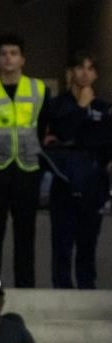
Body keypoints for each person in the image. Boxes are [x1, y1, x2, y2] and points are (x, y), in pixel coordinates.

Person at [0, 33, 49, 288]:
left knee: (25, 233)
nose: (9, 58)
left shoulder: (38, 89)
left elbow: (43, 129)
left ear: (22, 59)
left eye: (14, 53)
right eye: (4, 54)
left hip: (27, 168)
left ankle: (26, 287)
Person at [47, 51, 110, 289]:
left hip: (93, 181)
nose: (85, 73)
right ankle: (61, 286)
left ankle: (87, 285)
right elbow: (63, 134)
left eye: (90, 68)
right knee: (62, 240)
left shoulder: (104, 108)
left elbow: (103, 142)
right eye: (80, 67)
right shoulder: (57, 105)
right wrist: (81, 108)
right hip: (64, 178)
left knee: (88, 239)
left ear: (95, 74)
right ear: (71, 72)